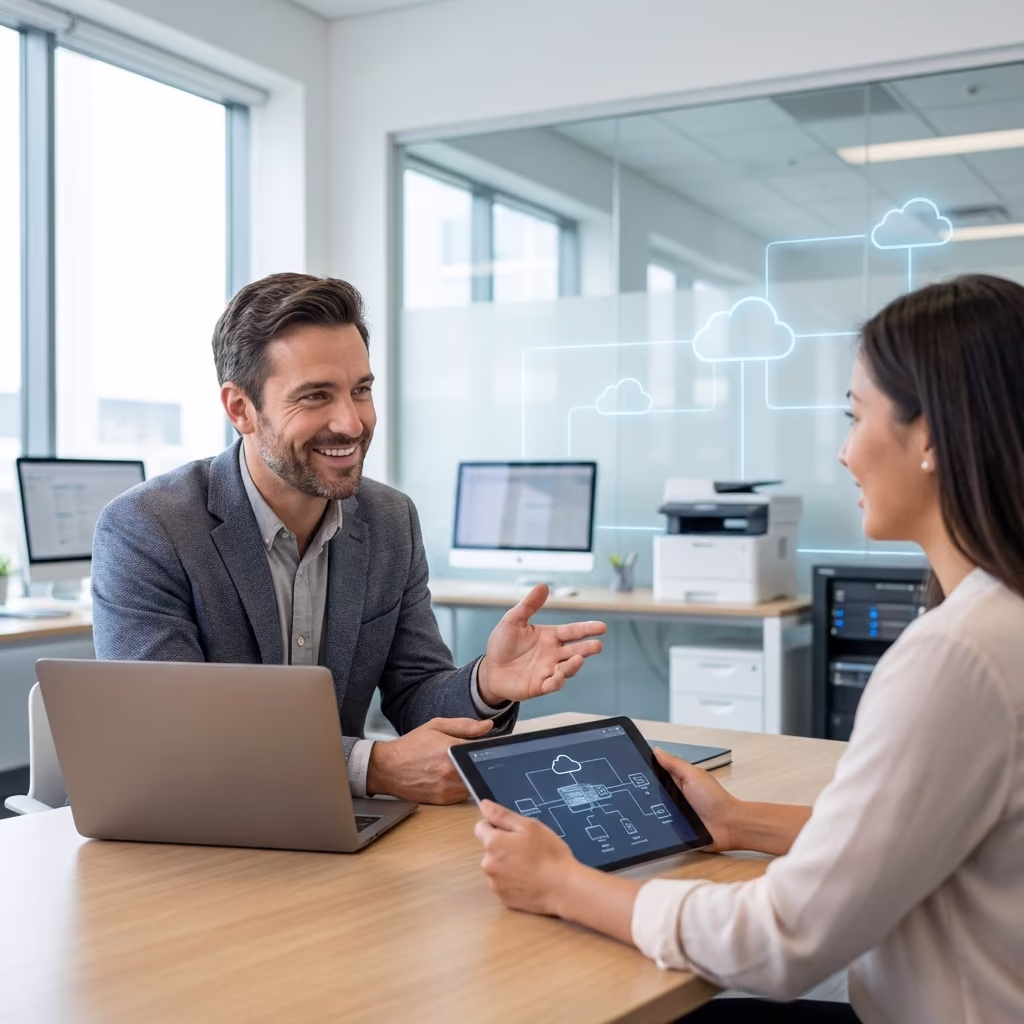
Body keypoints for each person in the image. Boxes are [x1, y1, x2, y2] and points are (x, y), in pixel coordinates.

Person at [474, 274, 1024, 1023]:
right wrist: (738, 824)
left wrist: (563, 885)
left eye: (856, 415)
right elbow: (901, 838)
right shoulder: (1000, 622)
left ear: (929, 436)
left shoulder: (958, 659)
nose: (843, 451)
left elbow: (784, 940)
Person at [91, 273, 607, 804]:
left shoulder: (389, 520)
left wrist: (486, 685)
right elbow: (172, 735)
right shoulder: (149, 528)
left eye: (361, 390)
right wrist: (370, 767)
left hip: (336, 832)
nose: (352, 422)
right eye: (315, 396)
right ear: (240, 409)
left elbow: (415, 693)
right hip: (196, 832)